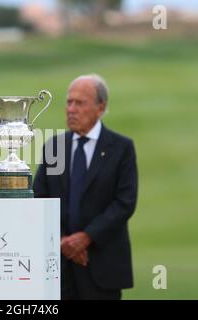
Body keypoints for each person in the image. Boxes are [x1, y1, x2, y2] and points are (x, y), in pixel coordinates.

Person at [33, 74, 138, 300]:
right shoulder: (55, 147)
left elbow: (124, 203)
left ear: (101, 107)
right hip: (59, 268)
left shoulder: (121, 148)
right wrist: (63, 241)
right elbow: (39, 199)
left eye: (79, 103)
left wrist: (86, 237)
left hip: (102, 265)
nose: (71, 109)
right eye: (69, 102)